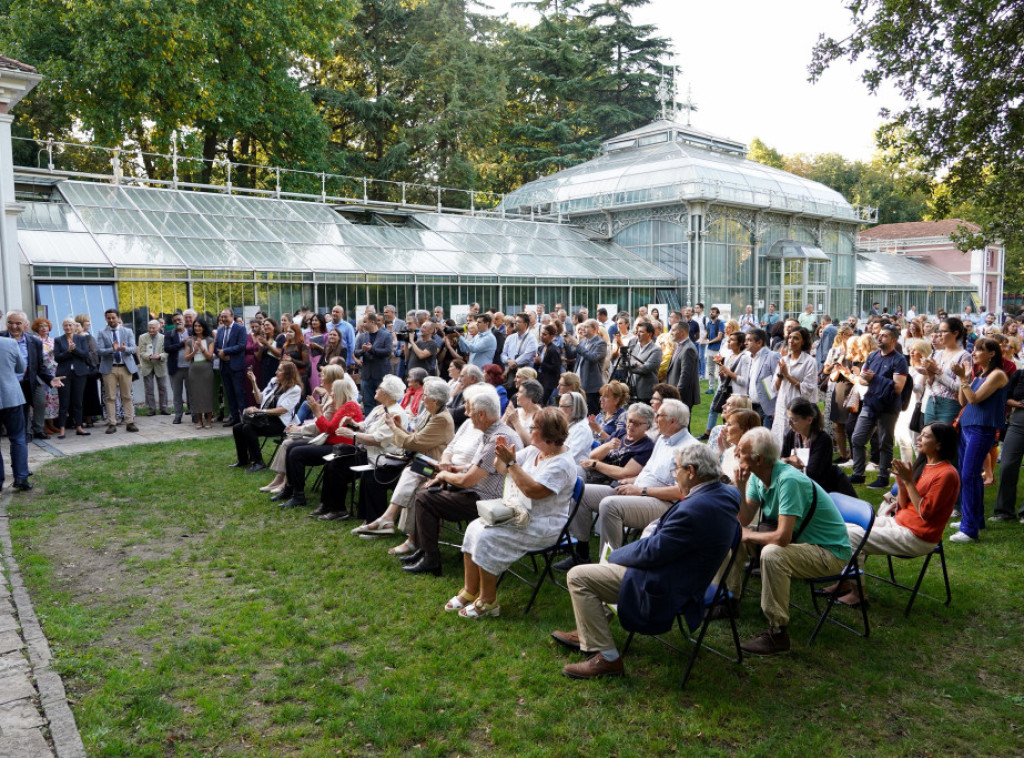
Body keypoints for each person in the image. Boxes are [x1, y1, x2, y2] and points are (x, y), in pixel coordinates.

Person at [553, 443, 740, 679]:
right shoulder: (727, 493)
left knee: (579, 576)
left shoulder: (695, 508)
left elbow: (653, 552)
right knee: (604, 569)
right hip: (688, 573)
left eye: (677, 470)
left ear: (691, 471)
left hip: (668, 583)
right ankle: (587, 632)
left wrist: (615, 558)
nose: (675, 475)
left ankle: (607, 659)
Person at [445, 407, 578, 619]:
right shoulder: (536, 450)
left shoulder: (562, 464)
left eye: (533, 428)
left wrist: (512, 462)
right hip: (519, 513)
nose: (529, 430)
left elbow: (533, 491)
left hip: (544, 524)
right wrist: (502, 456)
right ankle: (470, 590)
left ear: (547, 434)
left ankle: (489, 602)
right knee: (473, 527)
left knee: (488, 537)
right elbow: (502, 469)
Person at [733, 427, 852, 655]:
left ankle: (777, 633)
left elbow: (782, 537)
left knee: (772, 553)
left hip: (829, 552)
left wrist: (748, 534)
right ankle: (728, 600)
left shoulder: (788, 481)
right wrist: (740, 486)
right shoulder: (760, 476)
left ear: (758, 459)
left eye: (741, 451)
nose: (737, 454)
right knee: (734, 535)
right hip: (802, 543)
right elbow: (744, 517)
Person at [831, 422, 960, 605]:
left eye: (925, 436)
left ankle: (858, 594)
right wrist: (901, 483)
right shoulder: (924, 466)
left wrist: (908, 482)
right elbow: (903, 505)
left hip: (918, 537)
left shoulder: (946, 474)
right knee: (841, 527)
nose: (919, 439)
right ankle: (843, 583)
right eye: (920, 434)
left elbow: (925, 513)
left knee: (850, 536)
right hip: (899, 523)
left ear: (939, 444)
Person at [403, 385, 521, 577]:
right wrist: (449, 471)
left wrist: (443, 476)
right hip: (477, 493)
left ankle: (431, 559)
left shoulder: (498, 438)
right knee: (425, 492)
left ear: (482, 414)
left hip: (487, 500)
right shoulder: (491, 432)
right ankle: (425, 552)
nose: (467, 415)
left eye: (471, 411)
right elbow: (472, 469)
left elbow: (467, 480)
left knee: (425, 498)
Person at [569, 399, 696, 556]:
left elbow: (681, 492)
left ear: (673, 421)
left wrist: (641, 490)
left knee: (609, 505)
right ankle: (581, 552)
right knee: (582, 492)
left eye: (659, 415)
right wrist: (632, 481)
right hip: (637, 490)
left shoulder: (689, 448)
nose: (655, 419)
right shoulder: (663, 439)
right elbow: (650, 472)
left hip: (663, 503)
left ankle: (609, 563)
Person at [351, 377, 455, 535]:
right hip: (423, 463)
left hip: (434, 468)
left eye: (425, 395)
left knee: (411, 475)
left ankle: (397, 526)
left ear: (434, 400)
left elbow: (415, 442)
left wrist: (393, 428)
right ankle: (391, 522)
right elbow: (416, 439)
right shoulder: (432, 413)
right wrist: (399, 428)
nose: (422, 397)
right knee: (411, 472)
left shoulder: (441, 418)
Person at [274, 377, 366, 510]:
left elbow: (328, 429)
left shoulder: (349, 406)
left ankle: (298, 495)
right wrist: (319, 412)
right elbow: (328, 429)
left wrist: (317, 413)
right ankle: (290, 488)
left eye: (334, 391)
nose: (331, 393)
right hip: (330, 442)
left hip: (339, 448)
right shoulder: (342, 406)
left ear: (340, 392)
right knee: (291, 446)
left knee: (296, 453)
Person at [949, 337, 1008, 542]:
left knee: (970, 475)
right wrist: (962, 378)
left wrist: (964, 379)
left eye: (978, 350)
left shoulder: (997, 375)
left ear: (992, 353)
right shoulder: (980, 374)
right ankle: (974, 518)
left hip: (982, 429)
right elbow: (963, 400)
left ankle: (969, 530)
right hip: (968, 426)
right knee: (967, 475)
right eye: (973, 350)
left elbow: (974, 399)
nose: (973, 353)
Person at [848, 324, 909, 489]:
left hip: (888, 407)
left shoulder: (899, 360)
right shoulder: (873, 356)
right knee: (857, 438)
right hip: (870, 403)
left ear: (893, 339)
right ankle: (858, 474)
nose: (879, 337)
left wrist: (874, 378)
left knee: (885, 443)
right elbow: (862, 379)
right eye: (879, 335)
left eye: (884, 336)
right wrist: (864, 378)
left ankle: (883, 477)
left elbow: (898, 387)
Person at [229, 362, 303, 472]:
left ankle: (258, 462)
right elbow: (259, 399)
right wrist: (253, 382)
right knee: (237, 427)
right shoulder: (274, 382)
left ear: (288, 373)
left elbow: (283, 410)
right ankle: (244, 460)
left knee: (248, 428)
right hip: (265, 417)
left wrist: (260, 411)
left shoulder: (295, 389)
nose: (276, 372)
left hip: (280, 422)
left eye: (279, 370)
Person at [781, 398, 856, 497]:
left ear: (809, 420)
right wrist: (790, 461)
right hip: (796, 488)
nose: (789, 424)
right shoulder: (792, 435)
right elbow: (780, 462)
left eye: (794, 420)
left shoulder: (822, 440)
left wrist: (788, 462)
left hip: (818, 493)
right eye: (789, 419)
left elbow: (813, 473)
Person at [94, 308, 139, 434]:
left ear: (118, 318)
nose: (111, 320)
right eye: (109, 318)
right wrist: (112, 349)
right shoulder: (102, 332)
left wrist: (124, 349)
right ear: (106, 319)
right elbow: (99, 351)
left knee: (127, 396)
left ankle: (130, 422)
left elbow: (133, 349)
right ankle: (112, 423)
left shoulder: (127, 331)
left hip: (125, 367)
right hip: (110, 368)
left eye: (113, 317)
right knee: (110, 397)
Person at [770, 326, 818, 445]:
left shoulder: (809, 362)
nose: (791, 341)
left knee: (797, 437)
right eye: (790, 337)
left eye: (796, 338)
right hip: (782, 403)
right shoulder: (783, 360)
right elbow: (774, 387)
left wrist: (788, 375)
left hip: (799, 405)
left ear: (803, 342)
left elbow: (808, 389)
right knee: (780, 436)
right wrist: (781, 375)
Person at [921, 316, 972, 425]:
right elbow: (931, 385)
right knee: (927, 437)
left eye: (943, 331)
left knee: (944, 439)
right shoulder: (937, 353)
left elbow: (960, 387)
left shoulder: (964, 356)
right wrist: (930, 375)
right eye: (939, 331)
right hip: (932, 401)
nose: (939, 334)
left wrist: (938, 372)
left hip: (950, 404)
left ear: (955, 333)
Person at [701, 331, 750, 440]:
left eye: (732, 340)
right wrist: (722, 374)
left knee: (736, 421)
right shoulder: (729, 356)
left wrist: (727, 372)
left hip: (737, 395)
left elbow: (744, 381)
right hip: (726, 391)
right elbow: (725, 380)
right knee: (726, 419)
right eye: (728, 339)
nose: (728, 341)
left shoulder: (744, 358)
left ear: (740, 343)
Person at [53, 318, 94, 438]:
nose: (68, 327)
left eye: (70, 325)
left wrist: (74, 349)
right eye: (65, 325)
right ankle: (62, 428)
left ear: (74, 327)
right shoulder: (58, 340)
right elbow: (57, 358)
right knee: (64, 402)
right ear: (62, 327)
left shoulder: (81, 338)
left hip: (79, 373)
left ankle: (79, 426)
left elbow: (85, 354)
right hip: (64, 374)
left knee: (78, 402)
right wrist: (68, 351)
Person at [1, 334, 31, 491]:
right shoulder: (10, 343)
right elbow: (21, 367)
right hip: (11, 396)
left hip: (10, 397)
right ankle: (21, 478)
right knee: (18, 437)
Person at [354, 313, 395, 414]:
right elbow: (356, 352)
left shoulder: (386, 335)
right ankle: (369, 424)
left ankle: (383, 424)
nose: (363, 324)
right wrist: (363, 351)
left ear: (372, 322)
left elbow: (388, 351)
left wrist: (372, 349)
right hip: (367, 375)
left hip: (381, 374)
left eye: (365, 322)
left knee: (384, 403)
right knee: (367, 402)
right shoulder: (361, 337)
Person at [214, 308, 247, 426]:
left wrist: (226, 352)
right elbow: (216, 346)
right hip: (224, 366)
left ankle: (244, 419)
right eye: (222, 317)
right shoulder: (220, 330)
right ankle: (235, 418)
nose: (223, 319)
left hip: (236, 366)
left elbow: (242, 345)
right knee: (229, 393)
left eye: (225, 317)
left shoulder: (240, 329)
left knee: (239, 392)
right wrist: (220, 354)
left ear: (232, 316)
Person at [745, 328, 780, 429]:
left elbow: (779, 382)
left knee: (766, 442)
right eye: (745, 340)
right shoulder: (750, 358)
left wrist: (776, 408)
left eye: (749, 340)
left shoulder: (772, 356)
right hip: (752, 407)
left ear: (759, 342)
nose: (745, 343)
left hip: (768, 409)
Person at [184, 319, 215, 429]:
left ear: (204, 327)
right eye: (195, 326)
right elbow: (187, 358)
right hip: (194, 370)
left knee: (208, 394)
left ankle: (209, 420)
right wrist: (194, 350)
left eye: (199, 326)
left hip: (206, 369)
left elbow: (210, 356)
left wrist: (201, 348)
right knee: (196, 395)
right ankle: (199, 420)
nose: (197, 328)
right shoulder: (189, 341)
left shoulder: (210, 340)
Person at [31, 318, 60, 435]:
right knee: (43, 400)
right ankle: (42, 426)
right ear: (37, 329)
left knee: (53, 400)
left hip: (54, 373)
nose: (43, 328)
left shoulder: (53, 341)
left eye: (45, 326)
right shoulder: (34, 341)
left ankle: (51, 424)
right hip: (42, 374)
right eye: (41, 326)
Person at [137, 319, 170, 416]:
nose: (151, 330)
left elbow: (167, 352)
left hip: (160, 365)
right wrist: (149, 357)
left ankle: (164, 408)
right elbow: (141, 352)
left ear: (158, 328)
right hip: (147, 366)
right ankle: (151, 409)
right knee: (149, 389)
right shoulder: (142, 337)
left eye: (153, 328)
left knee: (163, 388)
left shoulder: (164, 338)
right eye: (149, 328)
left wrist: (160, 356)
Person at [575, 319, 607, 415]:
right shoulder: (582, 342)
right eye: (583, 326)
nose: (583, 329)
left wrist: (577, 345)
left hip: (591, 387)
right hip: (579, 384)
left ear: (594, 329)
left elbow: (593, 358)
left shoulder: (600, 343)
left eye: (586, 327)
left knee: (591, 415)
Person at [665, 321, 699, 410]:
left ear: (682, 332)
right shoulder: (681, 346)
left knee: (681, 423)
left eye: (673, 330)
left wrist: (677, 395)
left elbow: (685, 375)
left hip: (682, 397)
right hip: (676, 395)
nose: (670, 333)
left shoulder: (688, 349)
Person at [625, 321, 661, 404]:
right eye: (637, 331)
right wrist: (636, 363)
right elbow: (625, 362)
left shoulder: (656, 350)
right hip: (631, 390)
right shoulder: (634, 347)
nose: (638, 334)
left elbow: (646, 368)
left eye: (641, 332)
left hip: (646, 392)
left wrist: (630, 367)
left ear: (649, 334)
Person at [165, 313, 191, 424]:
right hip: (175, 369)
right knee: (177, 394)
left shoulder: (191, 332)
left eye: (179, 319)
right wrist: (181, 344)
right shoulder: (169, 334)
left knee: (192, 393)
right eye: (175, 320)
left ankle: (194, 415)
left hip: (190, 368)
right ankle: (178, 416)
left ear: (184, 320)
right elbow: (167, 348)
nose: (177, 322)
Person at [534, 324, 563, 404]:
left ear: (552, 336)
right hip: (540, 379)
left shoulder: (553, 350)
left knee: (542, 402)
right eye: (541, 334)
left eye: (544, 334)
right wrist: (536, 362)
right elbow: (537, 365)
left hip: (549, 382)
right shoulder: (540, 348)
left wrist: (541, 363)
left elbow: (556, 368)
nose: (542, 336)